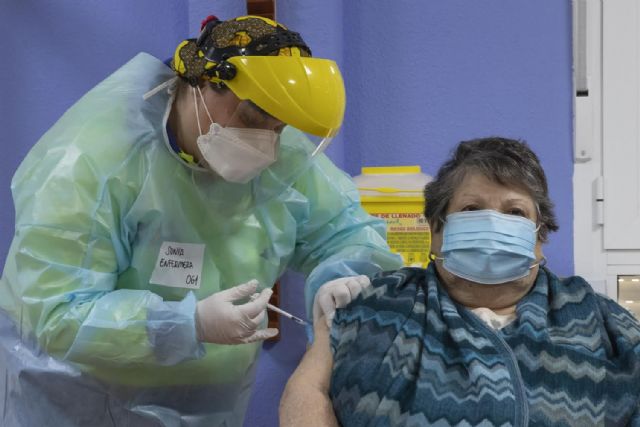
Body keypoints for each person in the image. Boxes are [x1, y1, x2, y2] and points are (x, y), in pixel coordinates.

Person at [0, 15, 402, 427]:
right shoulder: (92, 161)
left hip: (210, 407)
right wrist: (186, 324)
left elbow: (349, 232)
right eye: (251, 118)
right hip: (76, 405)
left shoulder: (280, 157)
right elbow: (55, 315)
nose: (265, 143)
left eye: (279, 128)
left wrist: (342, 278)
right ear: (199, 83)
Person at [280, 137, 640, 427]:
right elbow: (306, 391)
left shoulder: (599, 321)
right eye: (471, 209)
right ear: (436, 230)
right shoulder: (379, 303)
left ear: (540, 235)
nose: (493, 222)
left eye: (515, 212)